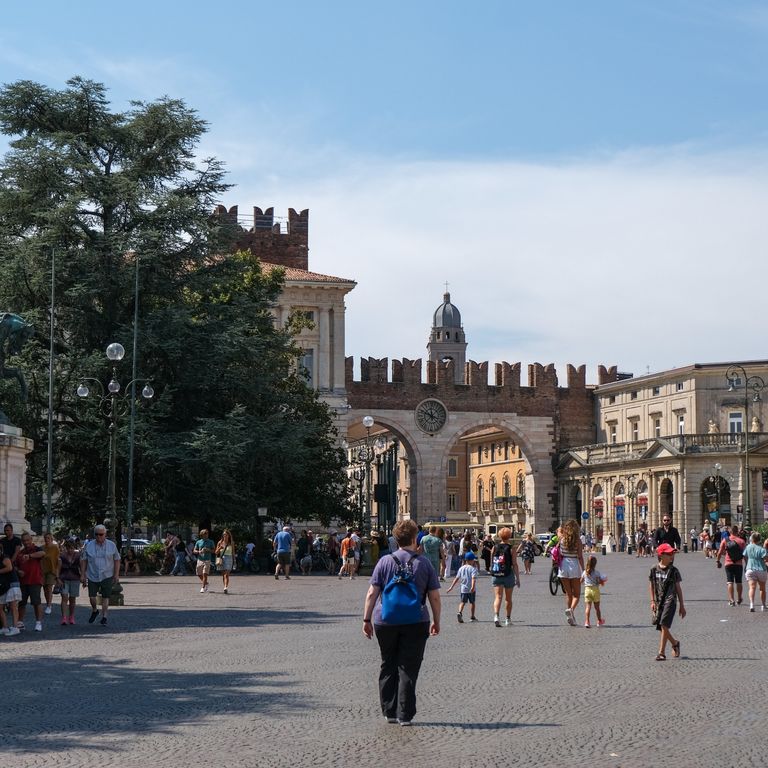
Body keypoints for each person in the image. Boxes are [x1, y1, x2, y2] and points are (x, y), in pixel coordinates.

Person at [361, 519, 440, 727]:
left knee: (388, 663)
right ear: (415, 539)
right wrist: (436, 621)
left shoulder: (385, 562)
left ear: (395, 540)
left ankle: (390, 711)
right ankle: (405, 714)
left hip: (385, 620)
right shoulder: (424, 563)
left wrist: (366, 619)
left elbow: (372, 593)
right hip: (416, 619)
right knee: (408, 667)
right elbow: (434, 597)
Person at [649, 542, 685, 661]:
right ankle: (675, 643)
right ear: (661, 555)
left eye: (672, 554)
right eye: (669, 554)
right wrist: (653, 601)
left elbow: (678, 588)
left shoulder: (674, 571)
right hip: (659, 602)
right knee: (661, 627)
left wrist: (682, 605)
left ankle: (661, 653)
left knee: (663, 625)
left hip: (671, 601)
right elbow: (651, 585)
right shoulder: (654, 569)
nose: (672, 556)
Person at [79, 524, 121, 626]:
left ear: (105, 534)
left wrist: (116, 574)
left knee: (106, 597)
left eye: (101, 534)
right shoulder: (89, 545)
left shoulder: (111, 545)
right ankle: (94, 610)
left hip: (107, 574)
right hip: (92, 574)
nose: (99, 536)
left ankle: (104, 617)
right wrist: (83, 574)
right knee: (92, 597)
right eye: (96, 534)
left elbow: (117, 559)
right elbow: (84, 560)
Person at [490, 527, 520, 627]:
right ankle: (507, 619)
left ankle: (496, 616)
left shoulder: (494, 547)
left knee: (497, 597)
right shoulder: (512, 548)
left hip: (496, 573)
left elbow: (492, 561)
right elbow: (515, 564)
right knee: (508, 598)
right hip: (508, 574)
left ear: (500, 536)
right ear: (509, 536)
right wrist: (518, 578)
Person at [16, 531, 46, 631]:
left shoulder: (37, 549)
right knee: (21, 603)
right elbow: (15, 566)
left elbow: (42, 553)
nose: (26, 542)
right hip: (23, 581)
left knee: (36, 602)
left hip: (35, 580)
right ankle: (20, 622)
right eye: (24, 541)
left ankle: (38, 622)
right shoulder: (21, 552)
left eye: (27, 540)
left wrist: (30, 556)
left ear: (31, 540)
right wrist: (18, 571)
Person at [558, 519, 585, 626]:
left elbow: (558, 531)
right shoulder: (578, 541)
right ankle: (571, 610)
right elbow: (580, 557)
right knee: (577, 594)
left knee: (568, 594)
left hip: (563, 565)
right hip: (574, 565)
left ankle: (571, 617)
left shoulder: (562, 539)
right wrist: (583, 571)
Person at [715, 525, 746, 606]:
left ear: (730, 532)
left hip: (728, 563)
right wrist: (746, 564)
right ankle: (739, 598)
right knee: (739, 582)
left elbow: (720, 552)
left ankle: (732, 600)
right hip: (739, 564)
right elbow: (745, 555)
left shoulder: (725, 540)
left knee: (730, 581)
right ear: (737, 532)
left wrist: (717, 561)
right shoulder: (741, 541)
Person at [446, 551, 478, 622]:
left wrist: (451, 587)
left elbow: (456, 578)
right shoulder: (473, 569)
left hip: (463, 589)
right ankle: (472, 617)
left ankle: (459, 612)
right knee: (472, 603)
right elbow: (473, 579)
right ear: (472, 560)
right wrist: (472, 587)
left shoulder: (461, 568)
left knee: (462, 602)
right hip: (471, 589)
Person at [742, 531, 768, 611]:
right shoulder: (761, 549)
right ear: (759, 540)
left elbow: (745, 557)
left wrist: (748, 563)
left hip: (750, 569)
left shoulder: (748, 547)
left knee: (752, 588)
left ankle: (752, 605)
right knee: (762, 588)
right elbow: (766, 559)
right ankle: (763, 605)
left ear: (752, 539)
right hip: (761, 569)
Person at [57, 538, 81, 625]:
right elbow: (58, 568)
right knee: (64, 597)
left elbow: (81, 567)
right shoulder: (62, 556)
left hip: (75, 579)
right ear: (66, 548)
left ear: (74, 547)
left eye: (72, 548)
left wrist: (83, 577)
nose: (70, 550)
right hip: (64, 579)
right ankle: (64, 617)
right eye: (68, 548)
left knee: (72, 599)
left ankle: (71, 616)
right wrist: (57, 578)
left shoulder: (78, 556)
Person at [581, 555, 607, 628]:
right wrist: (603, 581)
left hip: (587, 590)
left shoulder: (584, 572)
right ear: (595, 564)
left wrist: (585, 582)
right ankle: (599, 621)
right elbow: (599, 582)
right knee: (597, 608)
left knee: (588, 607)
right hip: (595, 590)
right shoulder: (597, 573)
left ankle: (587, 621)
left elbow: (581, 581)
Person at [0, 548, 21, 635]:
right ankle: (5, 627)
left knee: (13, 607)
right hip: (4, 586)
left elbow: (9, 568)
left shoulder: (5, 558)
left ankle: (16, 627)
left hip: (12, 584)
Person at [41, 532, 60, 615]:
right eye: (45, 538)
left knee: (49, 588)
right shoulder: (42, 548)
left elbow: (58, 559)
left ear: (51, 539)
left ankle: (49, 605)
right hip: (43, 570)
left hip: (51, 570)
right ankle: (47, 603)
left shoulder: (55, 548)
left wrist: (57, 571)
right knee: (45, 588)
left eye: (48, 538)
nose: (46, 539)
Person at [215, 529, 235, 593]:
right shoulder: (220, 542)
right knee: (223, 574)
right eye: (223, 535)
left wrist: (234, 560)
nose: (225, 536)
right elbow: (216, 552)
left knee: (226, 574)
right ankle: (225, 587)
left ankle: (226, 587)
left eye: (226, 535)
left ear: (229, 535)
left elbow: (233, 552)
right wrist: (219, 548)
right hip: (222, 558)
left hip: (229, 558)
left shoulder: (231, 543)